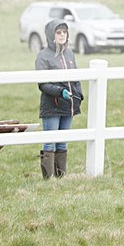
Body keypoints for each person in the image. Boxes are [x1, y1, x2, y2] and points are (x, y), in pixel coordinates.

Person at [36, 19, 83, 179]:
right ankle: (48, 180)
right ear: (51, 35)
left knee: (63, 142)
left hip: (68, 106)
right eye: (58, 32)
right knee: (50, 142)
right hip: (52, 106)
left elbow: (75, 77)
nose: (62, 35)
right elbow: (42, 84)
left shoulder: (70, 54)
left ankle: (61, 178)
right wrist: (60, 91)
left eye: (64, 32)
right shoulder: (43, 56)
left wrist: (79, 94)